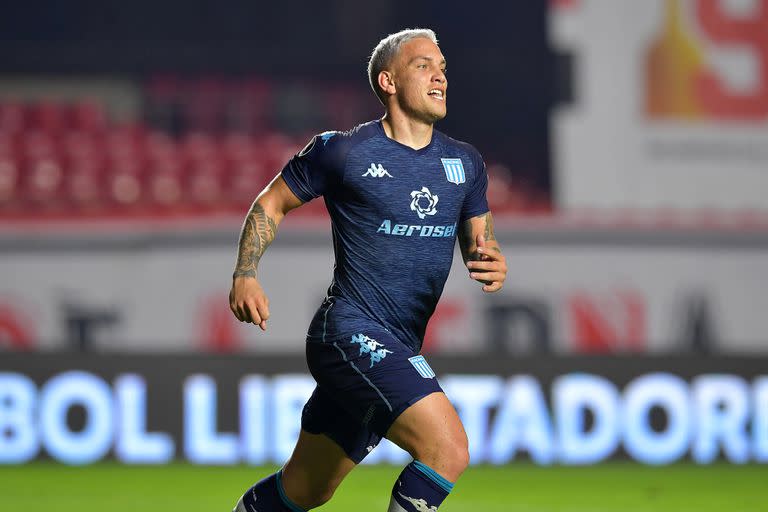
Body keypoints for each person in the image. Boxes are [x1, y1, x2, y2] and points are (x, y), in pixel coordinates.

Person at [229, 28, 507, 512]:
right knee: (448, 450)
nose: (439, 74)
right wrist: (245, 272)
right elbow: (271, 203)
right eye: (423, 65)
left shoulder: (465, 162)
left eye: (442, 66)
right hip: (349, 332)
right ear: (389, 81)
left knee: (305, 490)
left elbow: (480, 244)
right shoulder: (343, 151)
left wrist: (492, 260)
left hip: (398, 343)